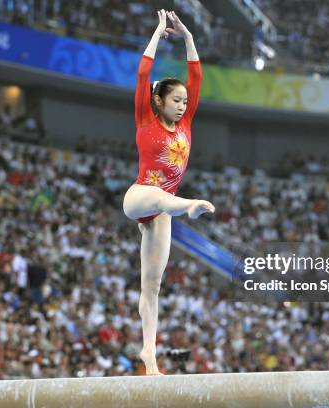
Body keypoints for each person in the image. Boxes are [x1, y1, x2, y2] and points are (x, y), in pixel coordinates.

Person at [122, 9, 215, 375]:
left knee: (152, 284)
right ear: (159, 100)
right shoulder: (146, 117)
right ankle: (188, 205)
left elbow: (197, 76)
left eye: (184, 102)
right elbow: (144, 73)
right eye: (176, 101)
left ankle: (149, 352)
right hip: (141, 196)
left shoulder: (187, 123)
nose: (182, 106)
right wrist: (159, 35)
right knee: (162, 198)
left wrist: (189, 39)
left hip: (160, 215)